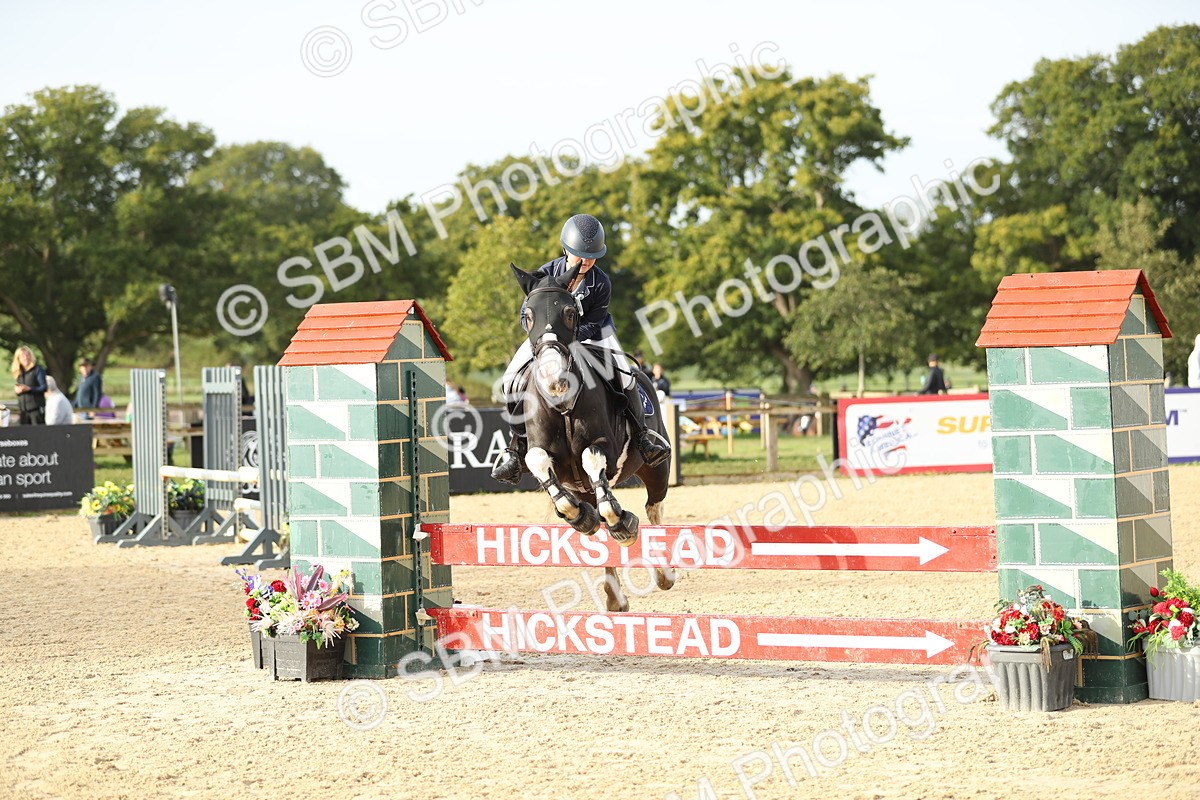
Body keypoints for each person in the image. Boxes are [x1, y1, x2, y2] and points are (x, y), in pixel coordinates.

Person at [491, 214, 671, 484]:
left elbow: (595, 321)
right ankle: (515, 450)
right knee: (509, 379)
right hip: (548, 340)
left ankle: (643, 436)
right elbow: (525, 314)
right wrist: (548, 338)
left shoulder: (601, 282)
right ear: (566, 249)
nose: (586, 260)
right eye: (579, 255)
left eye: (592, 256)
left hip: (595, 335)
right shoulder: (546, 274)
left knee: (625, 375)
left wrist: (571, 340)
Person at [11, 346, 47, 425]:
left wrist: (29, 389)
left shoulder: (37, 369)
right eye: (23, 356)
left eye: (27, 355)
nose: (26, 358)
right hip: (23, 411)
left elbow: (44, 387)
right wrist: (18, 391)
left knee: (38, 434)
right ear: (18, 359)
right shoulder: (19, 373)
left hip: (36, 409)